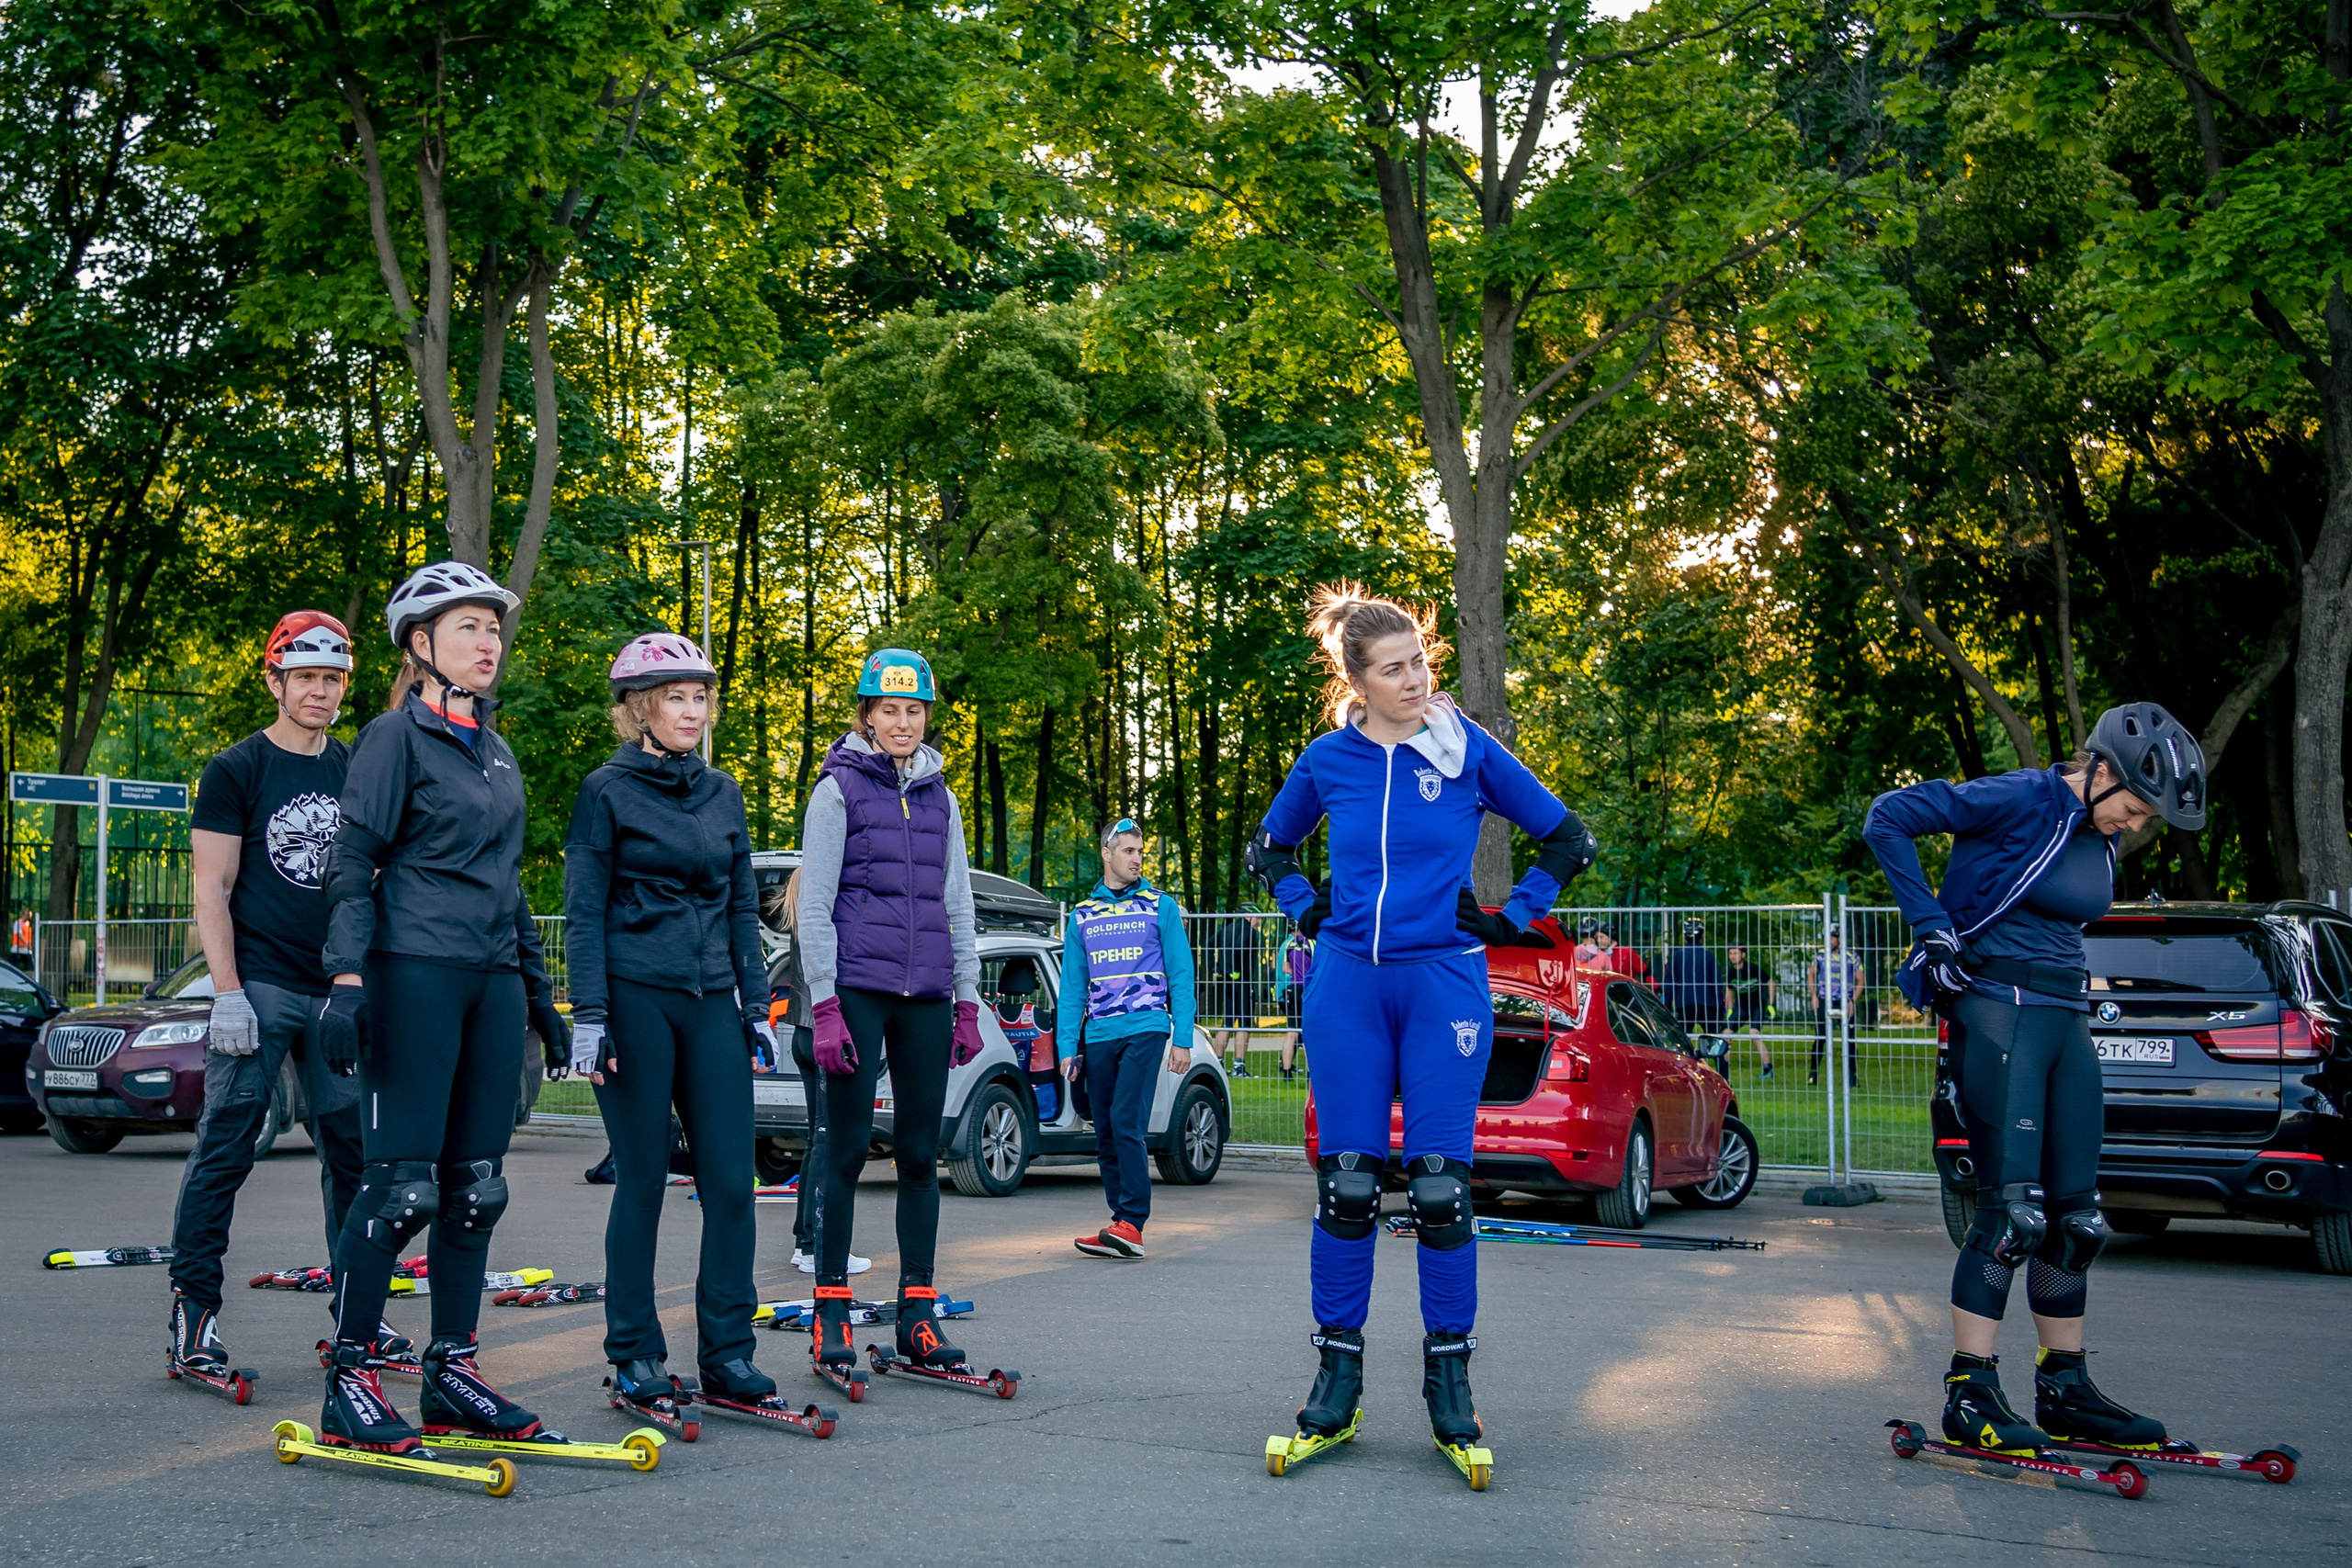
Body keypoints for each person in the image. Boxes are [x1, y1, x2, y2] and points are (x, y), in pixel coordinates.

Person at [1249, 583, 1597, 1472]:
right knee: (1349, 1187)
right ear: (1356, 682)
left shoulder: (1465, 746)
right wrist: (1304, 907)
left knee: (1441, 1191)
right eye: (1394, 669)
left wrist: (1514, 915)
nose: (1415, 680)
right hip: (1348, 989)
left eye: (1420, 662)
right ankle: (1336, 1385)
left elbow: (1569, 838)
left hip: (1444, 985)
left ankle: (1451, 1389)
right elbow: (1269, 848)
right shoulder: (1329, 759)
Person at [1865, 701, 2203, 1457]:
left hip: (2065, 1018)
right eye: (2133, 807)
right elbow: (1887, 816)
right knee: (2011, 1214)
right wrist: (1929, 924)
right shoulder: (2020, 796)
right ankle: (1970, 1391)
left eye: (2145, 818)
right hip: (2000, 1013)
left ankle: (2065, 1387)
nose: (2133, 825)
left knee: (2077, 1221)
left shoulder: (2097, 835)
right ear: (2102, 768)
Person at [313, 560, 568, 1453]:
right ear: (421, 643)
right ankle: (350, 1378)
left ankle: (452, 1371)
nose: (489, 641)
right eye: (469, 627)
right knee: (400, 1190)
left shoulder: (497, 751)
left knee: (475, 1189)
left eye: (493, 628)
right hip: (413, 972)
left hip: (490, 982)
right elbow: (352, 861)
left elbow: (508, 885)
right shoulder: (394, 738)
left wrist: (540, 996)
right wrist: (346, 978)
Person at [563, 633, 782, 1416]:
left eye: (699, 698)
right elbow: (583, 911)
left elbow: (741, 905)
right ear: (639, 709)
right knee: (644, 1178)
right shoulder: (605, 790)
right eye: (675, 698)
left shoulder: (723, 793)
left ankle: (728, 1352)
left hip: (711, 998)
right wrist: (590, 1015)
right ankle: (635, 1352)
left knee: (730, 1181)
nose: (691, 711)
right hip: (634, 997)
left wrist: (755, 1006)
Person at [168, 612, 372, 1383]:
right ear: (275, 681)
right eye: (306, 676)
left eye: (332, 678)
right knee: (227, 1145)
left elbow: (368, 883)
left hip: (333, 993)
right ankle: (194, 1311)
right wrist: (227, 993)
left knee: (352, 1155)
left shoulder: (354, 768)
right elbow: (211, 887)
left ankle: (359, 1311)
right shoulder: (237, 768)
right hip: (259, 986)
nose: (320, 690)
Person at [797, 648, 987, 1384]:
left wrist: (966, 998)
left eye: (914, 710)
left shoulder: (943, 799)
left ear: (925, 716)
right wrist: (824, 1003)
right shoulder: (837, 789)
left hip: (928, 994)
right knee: (845, 1150)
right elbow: (815, 905)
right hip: (858, 989)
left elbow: (958, 901)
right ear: (867, 714)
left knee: (917, 1154)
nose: (902, 722)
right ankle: (831, 1310)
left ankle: (917, 1312)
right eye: (889, 709)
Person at [1058, 818, 1197, 1260]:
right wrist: (1067, 1047)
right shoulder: (1083, 915)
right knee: (1104, 1129)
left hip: (1146, 1026)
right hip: (1099, 1032)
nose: (1137, 859)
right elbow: (1072, 988)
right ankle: (1120, 1223)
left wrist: (1183, 1036)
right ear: (1107, 854)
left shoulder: (1161, 906)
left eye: (1140, 852)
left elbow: (1181, 973)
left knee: (1125, 1120)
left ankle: (1133, 1222)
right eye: (1128, 851)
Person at [774, 869, 869, 1276]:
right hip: (825, 1033)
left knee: (819, 1139)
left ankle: (805, 1240)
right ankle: (818, 1244)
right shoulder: (828, 923)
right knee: (830, 1140)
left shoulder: (800, 918)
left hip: (801, 1031)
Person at [1656, 918, 1726, 1039]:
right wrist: (1720, 1010)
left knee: (1683, 1041)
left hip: (1685, 1004)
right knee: (1713, 1041)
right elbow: (1717, 985)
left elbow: (1669, 985)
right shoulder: (1709, 956)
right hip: (1708, 1005)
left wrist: (1667, 1007)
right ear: (1702, 935)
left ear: (1685, 936)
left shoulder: (1677, 956)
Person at [1807, 932, 1862, 1087]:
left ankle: (1852, 1076)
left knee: (1849, 1039)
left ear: (1839, 939)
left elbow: (1860, 980)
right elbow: (1811, 974)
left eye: (1832, 938)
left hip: (1845, 1001)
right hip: (1825, 1000)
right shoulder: (1820, 955)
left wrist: (1853, 1000)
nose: (1829, 941)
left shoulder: (1852, 956)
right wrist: (1814, 995)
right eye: (1828, 938)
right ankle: (1813, 1073)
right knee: (1820, 1037)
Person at [1722, 942, 1775, 1078]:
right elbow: (1729, 989)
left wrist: (1771, 1004)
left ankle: (1768, 1069)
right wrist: (1730, 1008)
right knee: (1726, 1033)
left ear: (1743, 955)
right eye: (1730, 953)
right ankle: (1724, 1071)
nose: (1732, 956)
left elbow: (1770, 982)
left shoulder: (1754, 969)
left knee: (1754, 1034)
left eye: (1736, 953)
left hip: (1757, 1006)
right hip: (1741, 1008)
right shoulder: (1730, 972)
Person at [1273, 928, 1312, 1080]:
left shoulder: (1289, 944)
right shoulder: (1312, 943)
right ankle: (1310, 1073)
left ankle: (1287, 1072)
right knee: (1307, 1033)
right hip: (1307, 989)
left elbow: (1285, 968)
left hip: (1292, 989)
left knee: (1291, 1032)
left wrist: (1296, 973)